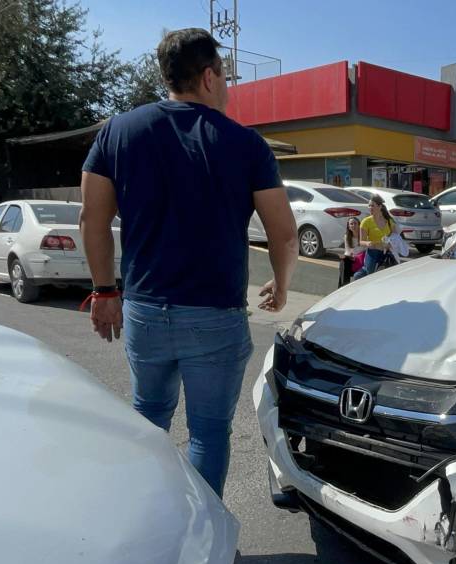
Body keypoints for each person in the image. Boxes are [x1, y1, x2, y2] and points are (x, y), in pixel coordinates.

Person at [79, 28, 298, 498]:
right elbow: (283, 232)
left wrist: (104, 291)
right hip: (214, 315)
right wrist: (281, 285)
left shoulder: (118, 131)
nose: (227, 86)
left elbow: (92, 218)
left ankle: (147, 524)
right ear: (208, 76)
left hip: (143, 309)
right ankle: (203, 543)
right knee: (208, 433)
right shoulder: (245, 145)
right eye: (225, 75)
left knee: (149, 418)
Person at [353, 195, 395, 279]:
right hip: (373, 252)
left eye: (372, 205)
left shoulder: (389, 221)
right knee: (370, 276)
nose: (370, 208)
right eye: (369, 205)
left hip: (387, 252)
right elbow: (361, 241)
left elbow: (394, 237)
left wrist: (390, 244)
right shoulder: (366, 222)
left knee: (391, 276)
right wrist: (368, 243)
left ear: (380, 207)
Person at [339, 217, 364, 288]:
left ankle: (343, 287)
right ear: (349, 226)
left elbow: (365, 250)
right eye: (351, 224)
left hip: (361, 260)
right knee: (344, 262)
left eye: (355, 223)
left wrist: (355, 255)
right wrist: (350, 256)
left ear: (359, 225)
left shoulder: (363, 236)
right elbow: (347, 251)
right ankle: (343, 287)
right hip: (352, 259)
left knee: (344, 265)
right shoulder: (347, 236)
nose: (353, 225)